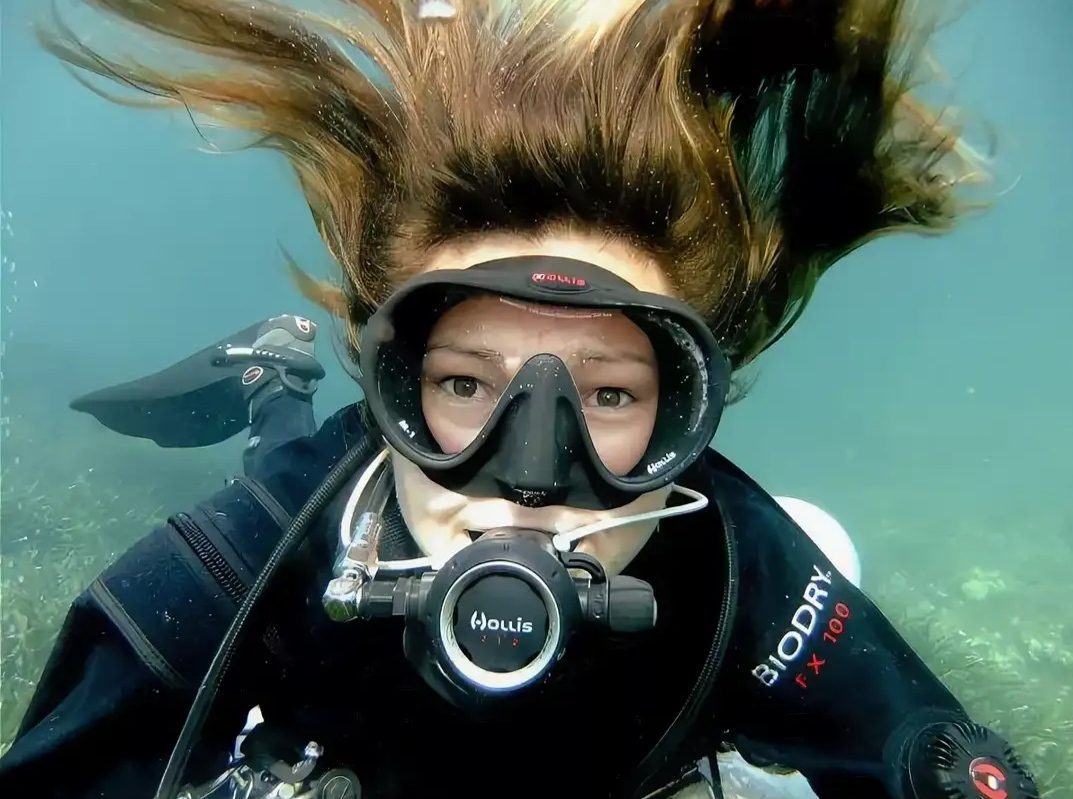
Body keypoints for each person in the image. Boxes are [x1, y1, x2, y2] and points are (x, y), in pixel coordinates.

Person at [0, 1, 1042, 798]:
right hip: (328, 509)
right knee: (282, 461)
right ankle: (274, 372)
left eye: (609, 393)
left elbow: (931, 756)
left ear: (683, 412)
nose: (528, 481)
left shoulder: (732, 564)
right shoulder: (251, 553)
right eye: (464, 384)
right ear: (393, 388)